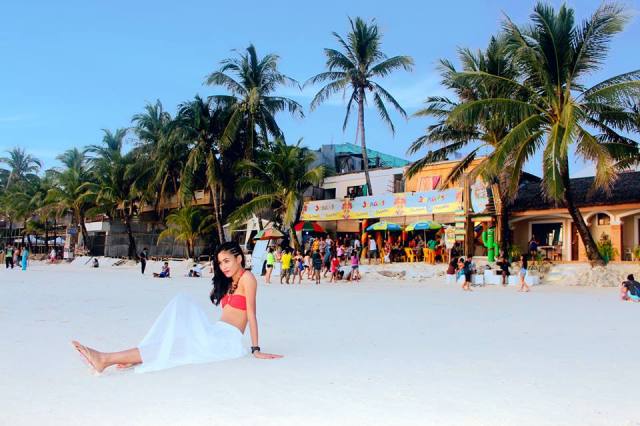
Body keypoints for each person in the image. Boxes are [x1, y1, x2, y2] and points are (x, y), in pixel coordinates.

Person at [71, 241, 282, 374]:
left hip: (227, 340)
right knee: (174, 342)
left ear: (239, 258)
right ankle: (116, 358)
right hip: (216, 332)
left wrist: (256, 350)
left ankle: (106, 358)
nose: (223, 266)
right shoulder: (228, 282)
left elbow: (251, 315)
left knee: (182, 311)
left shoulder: (247, 278)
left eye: (227, 261)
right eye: (220, 263)